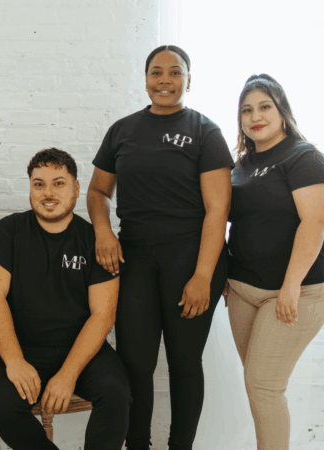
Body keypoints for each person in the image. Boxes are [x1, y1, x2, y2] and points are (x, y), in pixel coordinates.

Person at [87, 45, 234, 450]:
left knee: (184, 363)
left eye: (174, 72)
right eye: (156, 72)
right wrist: (103, 232)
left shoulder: (205, 131)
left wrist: (203, 275)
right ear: (146, 78)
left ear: (189, 80)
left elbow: (218, 208)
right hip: (134, 257)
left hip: (191, 257)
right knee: (136, 364)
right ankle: (138, 445)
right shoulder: (122, 130)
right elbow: (99, 190)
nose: (164, 80)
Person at [0, 148, 131, 450]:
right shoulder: (8, 232)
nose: (48, 192)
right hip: (24, 348)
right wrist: (13, 361)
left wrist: (68, 374)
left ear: (76, 189)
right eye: (39, 184)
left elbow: (103, 314)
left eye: (58, 183)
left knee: (117, 395)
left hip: (83, 350)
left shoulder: (95, 241)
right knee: (5, 408)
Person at [226, 74, 324, 450]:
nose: (255, 116)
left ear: (282, 111)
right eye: (247, 110)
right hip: (244, 290)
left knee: (263, 386)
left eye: (264, 107)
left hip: (298, 290)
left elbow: (315, 223)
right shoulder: (240, 165)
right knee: (260, 385)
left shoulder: (302, 156)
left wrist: (290, 287)